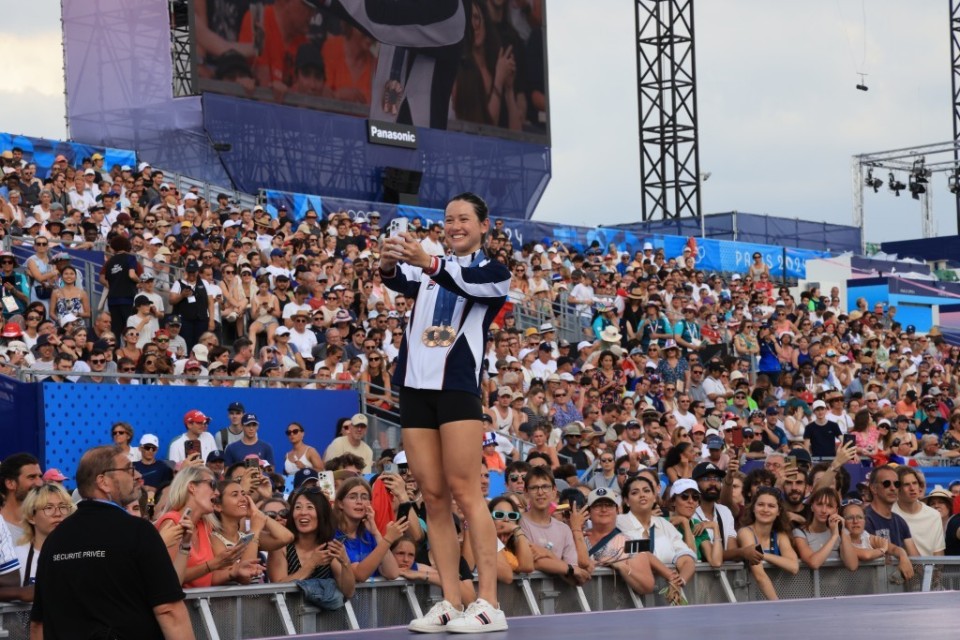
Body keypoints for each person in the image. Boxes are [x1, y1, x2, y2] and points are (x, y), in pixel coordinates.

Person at [379, 193, 510, 632]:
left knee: (465, 491)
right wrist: (388, 262)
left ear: (484, 225)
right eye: (449, 219)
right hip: (415, 387)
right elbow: (401, 281)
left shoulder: (493, 272)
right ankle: (450, 601)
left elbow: (463, 281)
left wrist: (427, 260)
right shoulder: (432, 270)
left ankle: (489, 601)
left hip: (456, 387)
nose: (455, 225)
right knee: (432, 496)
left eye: (464, 219)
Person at [29, 445, 195, 639]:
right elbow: (169, 610)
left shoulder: (54, 540)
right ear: (104, 482)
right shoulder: (138, 531)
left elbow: (38, 625)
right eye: (128, 469)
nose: (137, 476)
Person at [267, 486, 356, 600]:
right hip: (288, 615)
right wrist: (311, 564)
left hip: (324, 616)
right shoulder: (280, 547)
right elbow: (277, 588)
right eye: (298, 507)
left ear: (321, 514)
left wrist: (345, 562)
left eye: (310, 507)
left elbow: (348, 592)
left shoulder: (328, 548)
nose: (303, 512)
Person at [736, 487, 800, 601]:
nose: (765, 509)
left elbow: (793, 567)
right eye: (761, 504)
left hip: (773, 598)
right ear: (753, 508)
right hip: (748, 599)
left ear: (778, 511)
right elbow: (759, 576)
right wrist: (777, 605)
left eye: (771, 506)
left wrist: (763, 555)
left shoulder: (780, 535)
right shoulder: (745, 532)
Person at [15, 483, 76, 587]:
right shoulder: (17, 558)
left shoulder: (79, 555)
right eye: (48, 508)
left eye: (63, 507)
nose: (58, 514)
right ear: (31, 517)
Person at [791, 487, 858, 571]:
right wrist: (834, 536)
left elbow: (852, 566)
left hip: (837, 583)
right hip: (812, 583)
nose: (824, 510)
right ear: (812, 507)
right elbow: (814, 563)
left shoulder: (842, 533)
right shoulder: (799, 533)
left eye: (829, 506)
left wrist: (843, 530)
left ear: (836, 510)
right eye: (819, 504)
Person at [863, 464, 920, 557]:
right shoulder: (864, 519)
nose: (893, 488)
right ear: (873, 488)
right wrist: (901, 554)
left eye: (897, 484)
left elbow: (917, 561)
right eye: (886, 484)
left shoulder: (900, 521)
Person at [891, 467, 946, 556]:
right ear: (898, 488)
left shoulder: (934, 515)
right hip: (898, 568)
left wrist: (936, 570)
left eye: (915, 483)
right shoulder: (890, 514)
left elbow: (938, 553)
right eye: (906, 484)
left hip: (929, 569)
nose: (912, 488)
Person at [0, 453, 44, 544]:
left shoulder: (44, 524)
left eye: (40, 476)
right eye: (32, 477)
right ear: (10, 483)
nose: (40, 483)